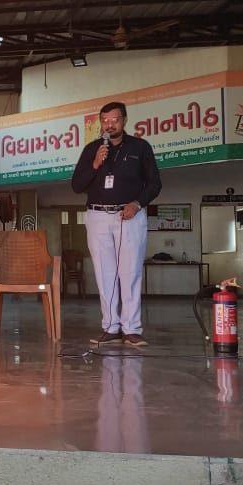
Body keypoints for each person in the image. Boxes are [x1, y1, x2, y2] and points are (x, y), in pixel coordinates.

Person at [71, 101, 161, 347]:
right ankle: (110, 327)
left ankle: (131, 328)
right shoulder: (92, 149)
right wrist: (95, 165)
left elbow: (154, 184)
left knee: (129, 273)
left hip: (129, 216)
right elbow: (77, 185)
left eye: (115, 120)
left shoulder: (140, 147)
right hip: (98, 216)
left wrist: (137, 203)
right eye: (105, 120)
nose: (109, 125)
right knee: (104, 273)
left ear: (125, 120)